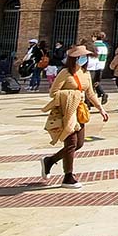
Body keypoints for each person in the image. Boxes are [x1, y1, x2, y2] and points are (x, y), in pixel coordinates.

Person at [40, 45, 108, 189]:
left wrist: (101, 109)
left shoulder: (85, 73)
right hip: (67, 111)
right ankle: (68, 176)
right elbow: (53, 92)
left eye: (86, 57)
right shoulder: (65, 73)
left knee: (79, 144)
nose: (84, 59)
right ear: (74, 58)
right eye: (81, 57)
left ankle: (50, 161)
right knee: (71, 143)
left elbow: (90, 93)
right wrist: (73, 95)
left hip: (80, 111)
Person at [88, 32, 110, 105]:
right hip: (101, 66)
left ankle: (100, 95)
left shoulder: (94, 45)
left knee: (91, 84)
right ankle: (95, 98)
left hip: (93, 67)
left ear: (95, 37)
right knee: (95, 83)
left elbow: (92, 56)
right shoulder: (104, 46)